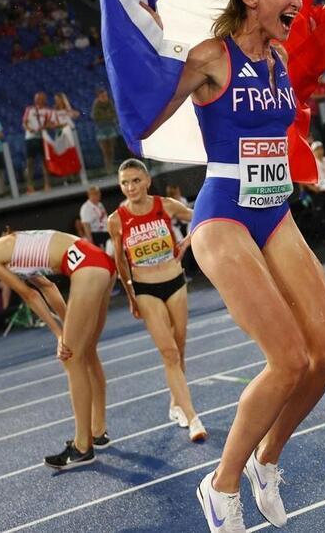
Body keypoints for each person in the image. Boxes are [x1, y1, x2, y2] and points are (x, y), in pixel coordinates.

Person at [137, 0, 325, 532]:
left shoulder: (279, 55)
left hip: (273, 209)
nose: (298, 2)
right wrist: (149, 45)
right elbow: (146, 120)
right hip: (223, 213)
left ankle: (267, 461)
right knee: (287, 359)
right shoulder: (211, 57)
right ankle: (220, 485)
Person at [0, 230, 116, 467]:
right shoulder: (11, 252)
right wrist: (69, 325)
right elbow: (47, 288)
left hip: (87, 267)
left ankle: (82, 447)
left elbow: (29, 295)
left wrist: (62, 335)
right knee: (86, 353)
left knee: (71, 359)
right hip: (100, 262)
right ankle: (98, 431)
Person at [107, 159, 206, 442]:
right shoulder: (117, 220)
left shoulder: (166, 205)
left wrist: (187, 242)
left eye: (136, 180)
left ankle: (176, 404)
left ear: (147, 181)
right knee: (169, 353)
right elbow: (120, 261)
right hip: (145, 289)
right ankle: (192, 417)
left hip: (174, 282)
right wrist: (130, 295)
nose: (130, 187)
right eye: (125, 182)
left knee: (181, 347)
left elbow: (200, 216)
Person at [22, 92, 54, 193]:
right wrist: (29, 129)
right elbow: (24, 122)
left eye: (40, 98)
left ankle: (47, 184)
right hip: (30, 138)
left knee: (45, 162)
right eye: (37, 98)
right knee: (30, 163)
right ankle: (30, 186)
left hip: (42, 137)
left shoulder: (48, 111)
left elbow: (50, 123)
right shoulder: (29, 109)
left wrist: (44, 127)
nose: (38, 100)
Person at [91, 87, 119, 173]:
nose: (104, 97)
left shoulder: (110, 103)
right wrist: (107, 117)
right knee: (105, 151)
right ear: (98, 97)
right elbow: (95, 117)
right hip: (101, 130)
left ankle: (111, 167)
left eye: (105, 95)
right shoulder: (96, 105)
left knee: (111, 149)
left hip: (110, 128)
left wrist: (107, 117)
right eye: (102, 95)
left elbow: (114, 114)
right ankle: (108, 168)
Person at [79, 185, 111, 251]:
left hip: (106, 232)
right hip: (97, 235)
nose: (98, 195)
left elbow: (104, 218)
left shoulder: (100, 204)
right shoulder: (86, 208)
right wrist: (91, 243)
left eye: (98, 193)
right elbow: (86, 225)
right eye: (95, 193)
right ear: (89, 195)